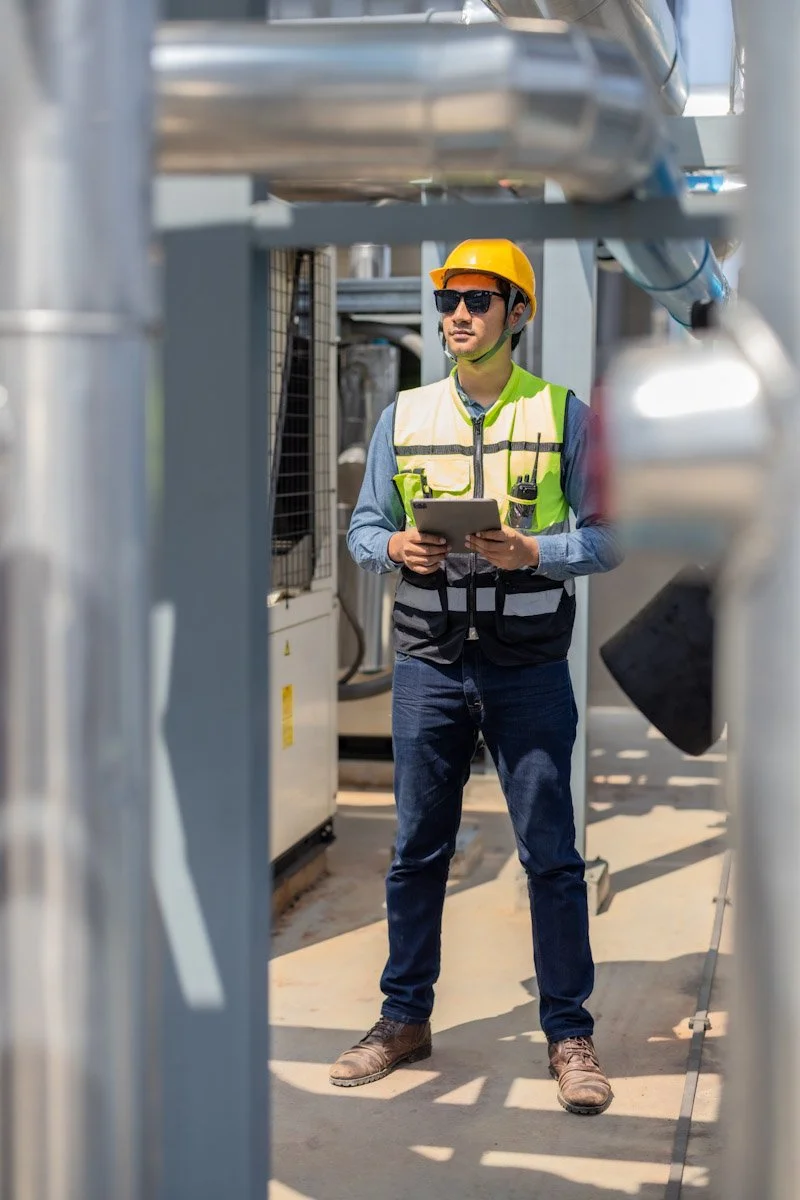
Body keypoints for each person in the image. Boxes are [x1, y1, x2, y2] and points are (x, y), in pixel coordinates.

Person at [330, 239, 622, 1116]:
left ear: (517, 315)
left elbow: (611, 536)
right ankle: (403, 1018)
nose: (457, 314)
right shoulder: (404, 417)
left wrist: (540, 550)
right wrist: (393, 546)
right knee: (416, 851)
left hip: (527, 669)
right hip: (427, 664)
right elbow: (364, 527)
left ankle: (570, 1033)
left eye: (477, 300)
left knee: (552, 857)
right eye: (449, 299)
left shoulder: (567, 415)